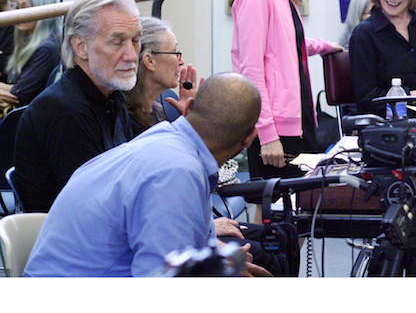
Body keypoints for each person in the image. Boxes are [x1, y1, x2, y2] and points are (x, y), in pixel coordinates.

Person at [24, 72, 268, 277]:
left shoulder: (168, 145)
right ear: (249, 137)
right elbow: (162, 287)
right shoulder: (176, 172)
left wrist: (219, 264)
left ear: (189, 107)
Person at [230, 0, 342, 180]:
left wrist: (321, 46)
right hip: (275, 129)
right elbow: (251, 69)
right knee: (275, 212)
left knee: (297, 208)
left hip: (295, 120)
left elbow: (283, 44)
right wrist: (267, 133)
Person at [13, 0, 140, 213]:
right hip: (73, 242)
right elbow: (93, 209)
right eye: (117, 42)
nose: (131, 55)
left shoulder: (110, 96)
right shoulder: (63, 110)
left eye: (136, 40)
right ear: (81, 47)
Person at [125, 16, 200, 137]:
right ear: (149, 61)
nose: (181, 61)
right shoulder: (123, 120)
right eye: (175, 52)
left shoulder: (158, 110)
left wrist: (191, 118)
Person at [0, 0, 61, 112]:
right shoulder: (27, 42)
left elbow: (19, 94)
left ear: (43, 11)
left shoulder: (46, 48)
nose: (18, 14)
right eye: (17, 8)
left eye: (25, 8)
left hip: (22, 116)